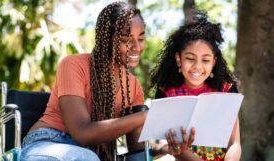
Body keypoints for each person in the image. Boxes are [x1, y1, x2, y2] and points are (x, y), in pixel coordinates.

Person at [20, 2, 148, 161]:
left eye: (141, 38)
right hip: (47, 142)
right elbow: (82, 133)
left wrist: (168, 146)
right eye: (126, 39)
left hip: (89, 154)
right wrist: (145, 116)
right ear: (106, 39)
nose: (136, 46)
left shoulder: (134, 87)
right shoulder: (73, 65)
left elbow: (137, 156)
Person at [150, 11, 241, 161]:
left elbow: (235, 143)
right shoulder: (167, 95)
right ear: (179, 59)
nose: (197, 66)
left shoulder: (227, 91)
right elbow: (176, 148)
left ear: (214, 62)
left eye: (205, 60)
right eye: (190, 58)